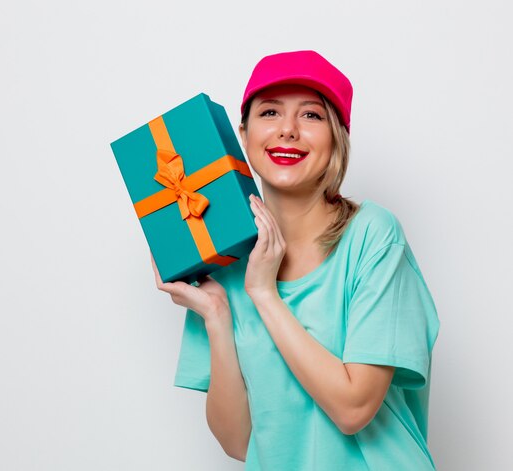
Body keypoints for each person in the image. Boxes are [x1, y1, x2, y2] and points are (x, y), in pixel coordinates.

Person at [150, 50, 441, 470]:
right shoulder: (223, 257)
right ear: (243, 135)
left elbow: (353, 409)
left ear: (337, 137)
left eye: (311, 116)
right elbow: (238, 441)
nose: (287, 131)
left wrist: (264, 294)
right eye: (270, 112)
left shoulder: (374, 236)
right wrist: (216, 315)